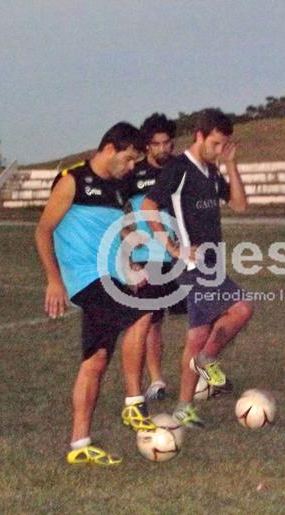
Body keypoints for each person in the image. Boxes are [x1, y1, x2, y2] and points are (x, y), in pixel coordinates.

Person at [35, 122, 156, 467]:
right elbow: (43, 230)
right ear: (109, 149)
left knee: (96, 358)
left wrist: (130, 263)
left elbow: (115, 231)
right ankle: (133, 402)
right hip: (86, 277)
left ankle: (80, 443)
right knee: (143, 313)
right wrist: (53, 280)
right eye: (128, 159)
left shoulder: (117, 188)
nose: (131, 167)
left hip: (111, 275)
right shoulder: (72, 180)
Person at [142, 109, 253, 428]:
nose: (219, 150)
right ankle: (205, 362)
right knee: (241, 309)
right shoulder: (178, 169)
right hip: (194, 266)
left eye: (224, 145)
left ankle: (184, 408)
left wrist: (230, 165)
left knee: (197, 336)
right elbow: (149, 206)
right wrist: (172, 248)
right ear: (199, 136)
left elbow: (240, 205)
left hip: (212, 263)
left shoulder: (211, 170)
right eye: (215, 144)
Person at [128, 113, 181, 402]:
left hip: (182, 255)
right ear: (147, 146)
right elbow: (115, 214)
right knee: (151, 320)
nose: (162, 149)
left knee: (201, 317)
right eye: (156, 144)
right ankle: (156, 380)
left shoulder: (181, 169)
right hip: (147, 256)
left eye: (166, 143)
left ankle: (202, 374)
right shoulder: (133, 174)